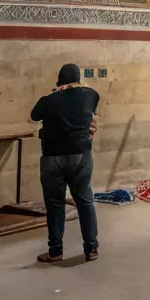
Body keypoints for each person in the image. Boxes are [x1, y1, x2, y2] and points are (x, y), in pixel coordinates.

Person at [30, 63, 100, 263]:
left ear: (59, 81)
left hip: (53, 158)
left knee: (55, 205)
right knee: (85, 202)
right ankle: (91, 249)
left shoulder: (48, 100)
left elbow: (35, 115)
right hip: (81, 156)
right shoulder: (90, 95)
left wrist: (56, 94)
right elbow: (89, 108)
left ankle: (55, 251)